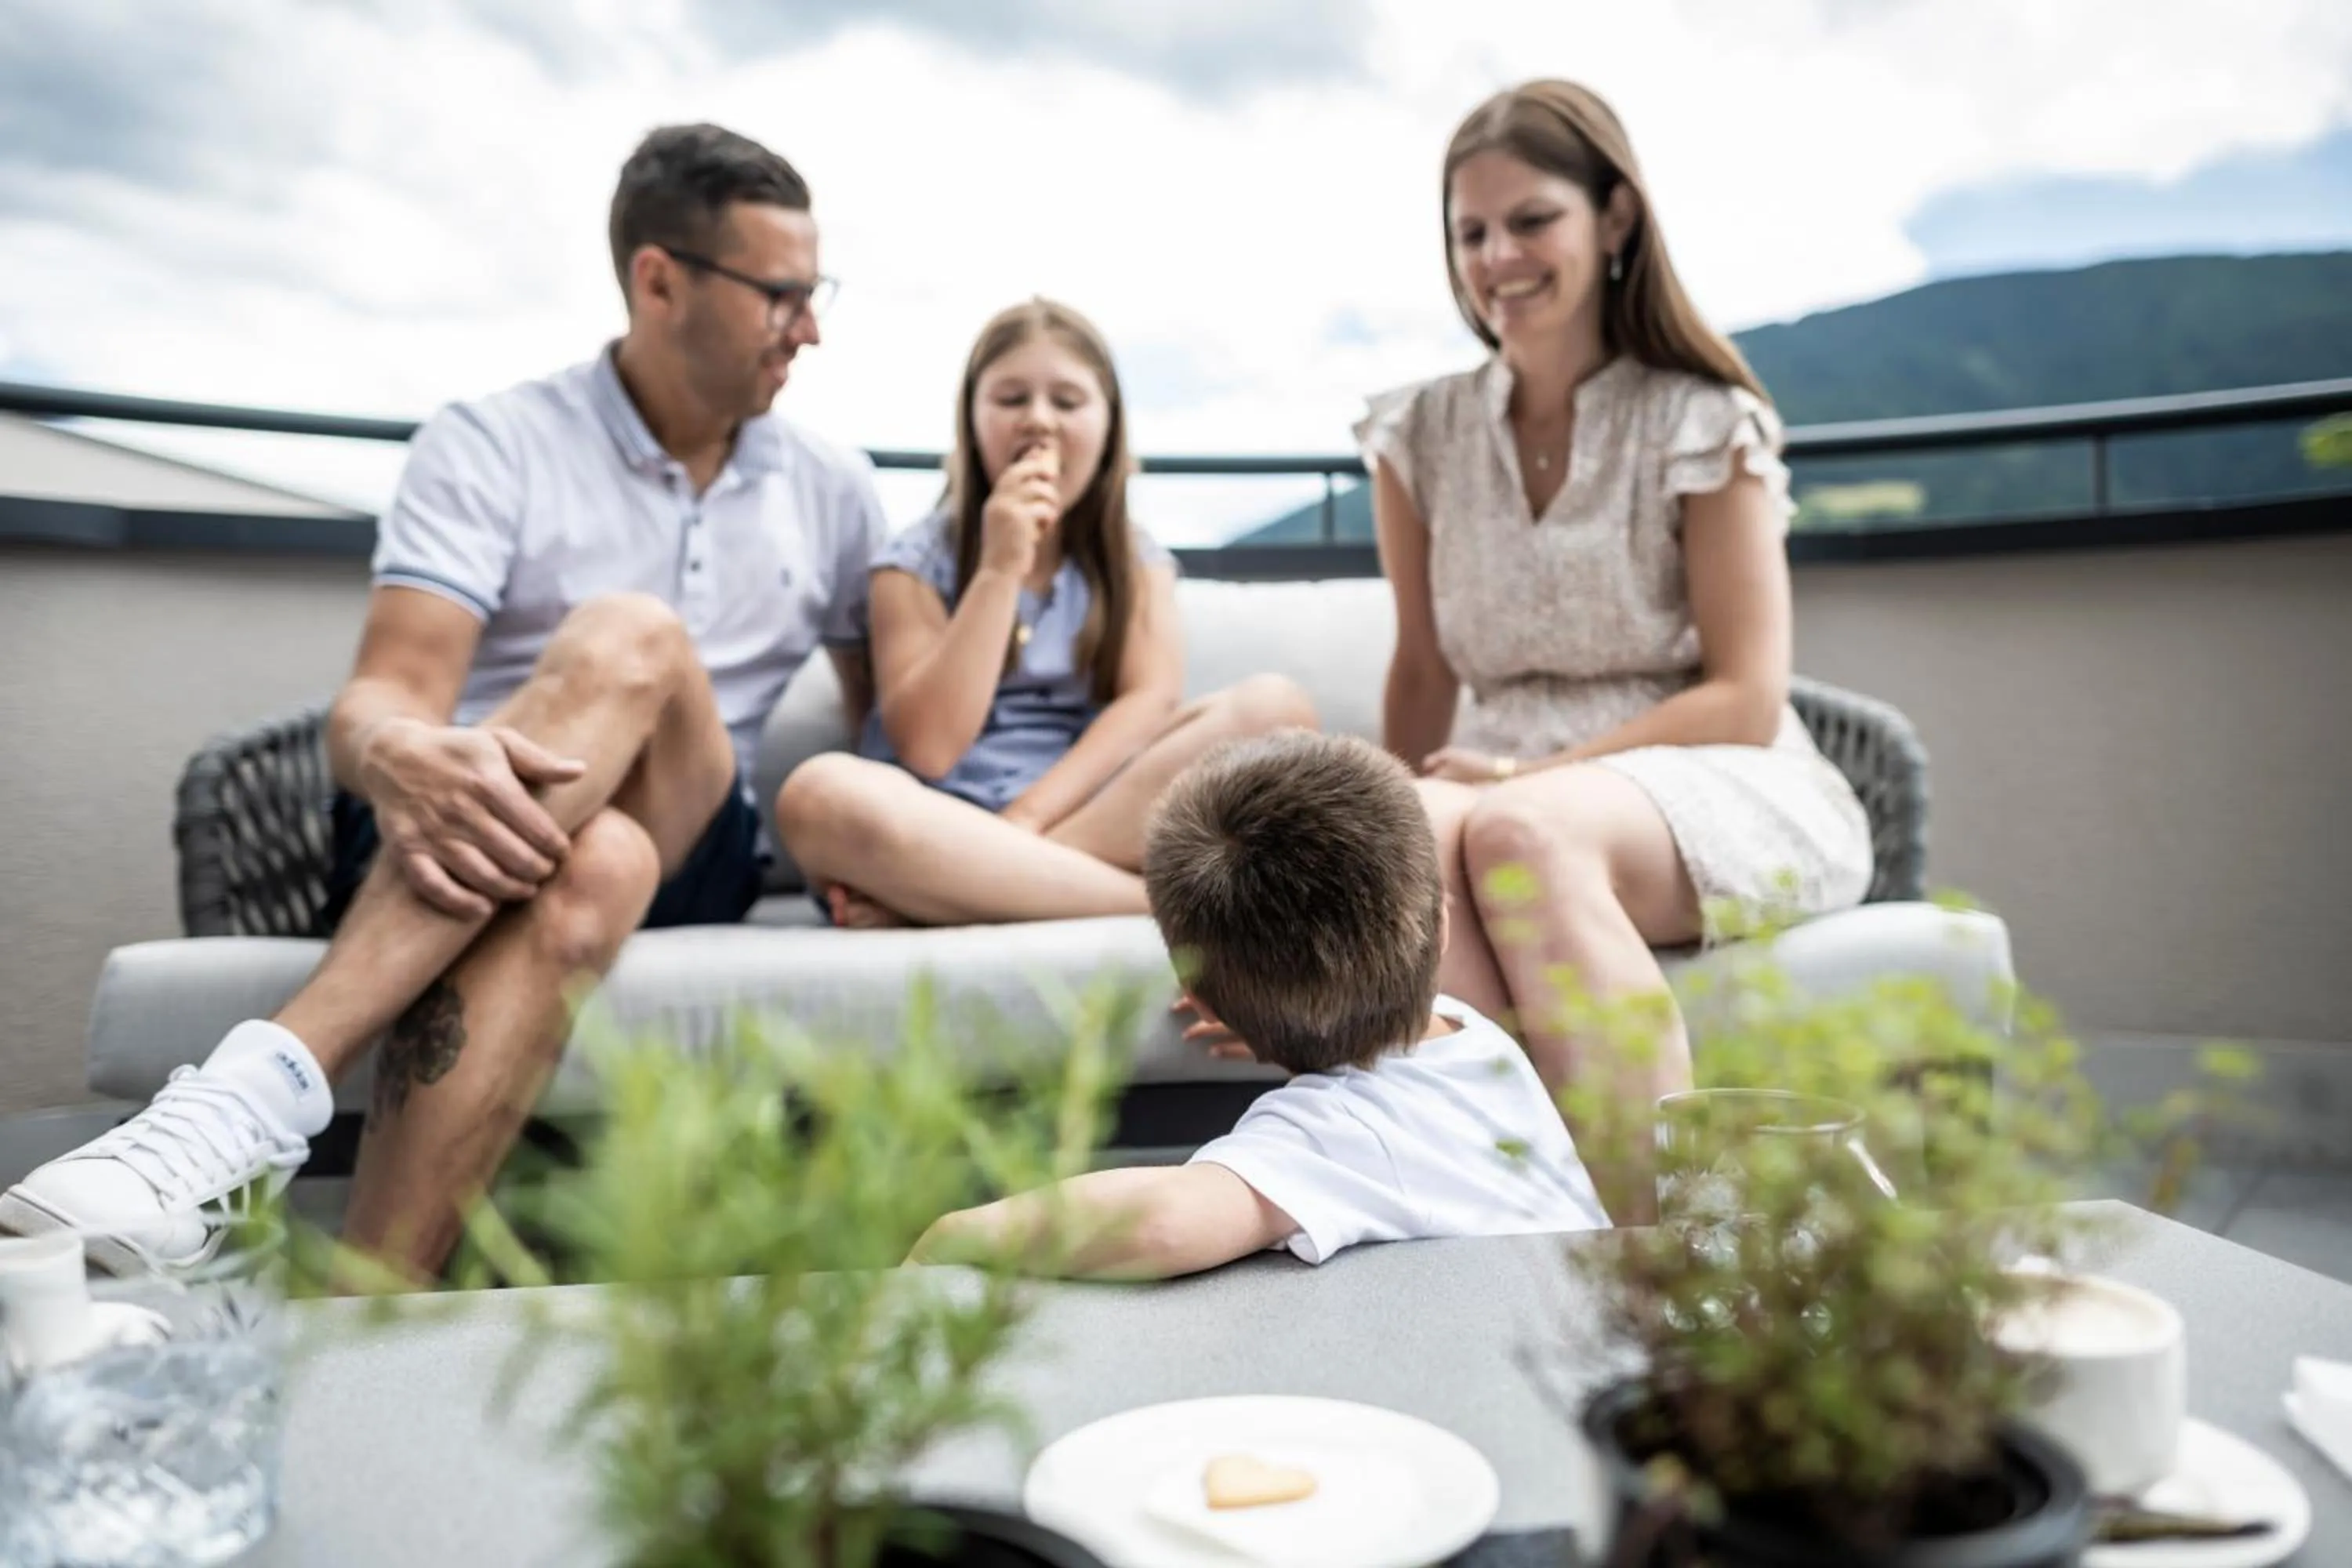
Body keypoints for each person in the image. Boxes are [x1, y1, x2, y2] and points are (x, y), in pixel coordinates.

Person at [0, 124, 889, 1279]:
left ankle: (245, 1097)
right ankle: (372, 1307)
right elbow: (386, 698)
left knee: (638, 636)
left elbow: (886, 732)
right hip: (462, 818)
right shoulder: (495, 443)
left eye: (814, 294)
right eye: (781, 296)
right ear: (659, 280)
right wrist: (398, 756)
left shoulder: (834, 488)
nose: (808, 329)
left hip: (694, 828)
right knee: (597, 857)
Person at [1358, 81, 1872, 1223]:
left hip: (1714, 773)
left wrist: (1527, 776)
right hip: (1501, 776)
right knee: (1403, 859)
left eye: (1531, 220)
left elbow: (1745, 696)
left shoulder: (1702, 420)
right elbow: (1423, 669)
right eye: (1472, 232)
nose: (1497, 258)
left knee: (1521, 832)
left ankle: (1656, 1249)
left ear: (1616, 219)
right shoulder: (1416, 433)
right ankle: (1515, 1229)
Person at [909, 731, 1609, 1279]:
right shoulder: (1477, 1039)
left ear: (1200, 1004)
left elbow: (1163, 1224)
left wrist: (956, 1236)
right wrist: (1296, 1009)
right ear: (1444, 926)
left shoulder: (1330, 1135)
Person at [777, 299, 1315, 927]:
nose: (1038, 420)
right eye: (1011, 399)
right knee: (816, 794)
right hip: (936, 818)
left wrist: (1028, 821)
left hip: (1085, 810)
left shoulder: (1134, 560)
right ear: (971, 418)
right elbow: (930, 749)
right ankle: (1146, 902)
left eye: (1067, 401)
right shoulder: (909, 564)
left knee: (1276, 710)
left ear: (1109, 425)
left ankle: (964, 892)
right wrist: (999, 569)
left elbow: (1149, 702)